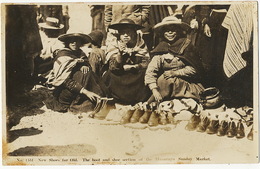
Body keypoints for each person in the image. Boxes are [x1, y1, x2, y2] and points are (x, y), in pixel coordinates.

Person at [143, 16, 205, 126]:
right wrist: (154, 90)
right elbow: (151, 71)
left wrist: (174, 73)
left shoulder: (186, 45)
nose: (170, 32)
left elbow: (194, 69)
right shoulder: (161, 49)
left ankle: (181, 105)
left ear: (179, 31)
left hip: (186, 84)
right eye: (166, 30)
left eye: (173, 29)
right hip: (166, 86)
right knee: (162, 81)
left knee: (165, 80)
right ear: (162, 33)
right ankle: (167, 107)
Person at [93, 18, 151, 120]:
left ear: (134, 33)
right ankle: (111, 103)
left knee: (145, 74)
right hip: (119, 76)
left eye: (128, 32)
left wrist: (135, 66)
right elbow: (114, 67)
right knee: (109, 75)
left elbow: (146, 62)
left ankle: (137, 105)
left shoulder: (140, 43)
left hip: (135, 77)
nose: (125, 35)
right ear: (118, 34)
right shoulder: (113, 44)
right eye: (123, 33)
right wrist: (120, 53)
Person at [44, 33, 104, 113]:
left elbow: (86, 63)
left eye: (77, 41)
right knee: (84, 76)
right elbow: (64, 80)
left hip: (80, 86)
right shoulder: (63, 56)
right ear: (67, 42)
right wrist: (86, 92)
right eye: (71, 41)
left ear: (81, 43)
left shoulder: (80, 53)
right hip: (66, 89)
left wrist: (83, 64)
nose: (74, 43)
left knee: (88, 73)